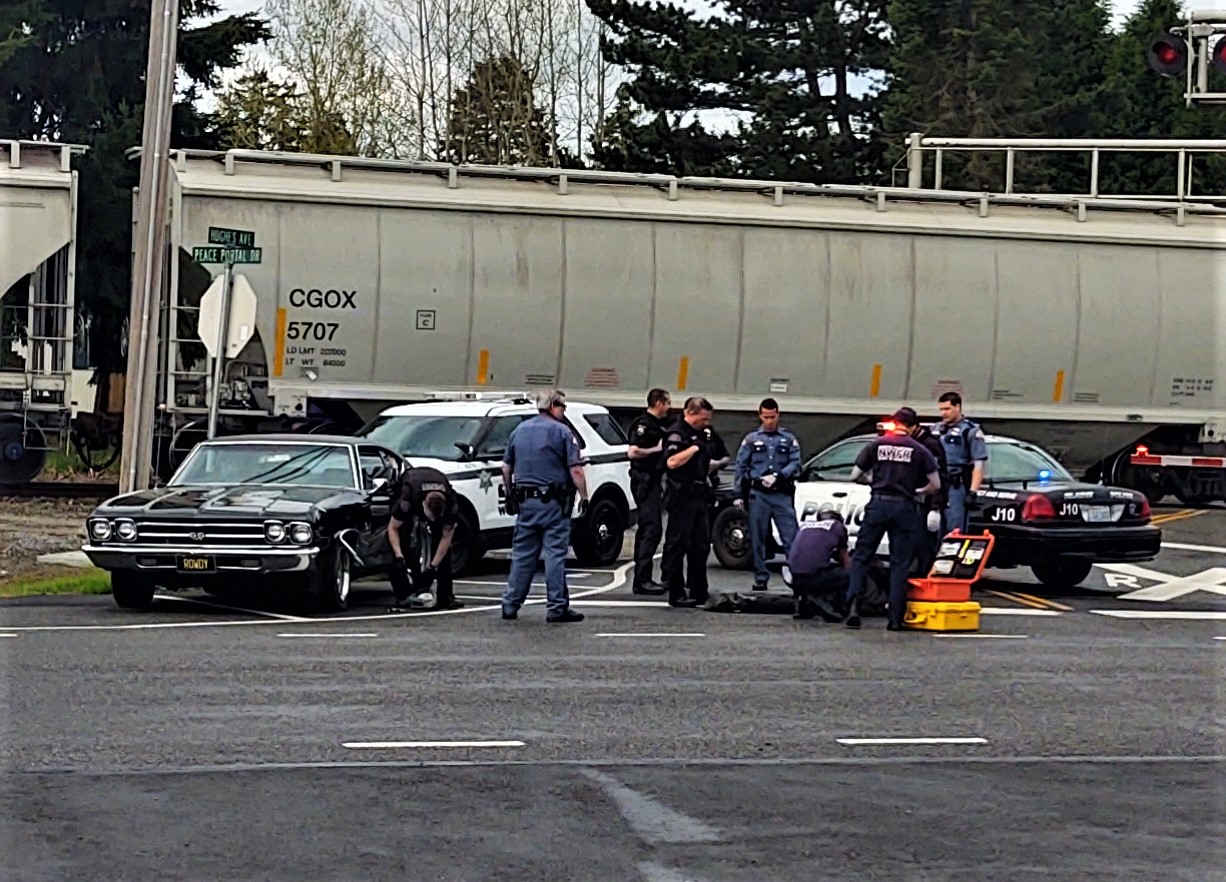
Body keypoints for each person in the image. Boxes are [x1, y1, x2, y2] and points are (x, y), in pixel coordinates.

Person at [844, 407, 941, 632]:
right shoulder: (919, 449)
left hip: (878, 502)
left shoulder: (876, 445)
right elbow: (935, 485)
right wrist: (919, 491)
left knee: (862, 556)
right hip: (904, 506)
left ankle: (853, 608)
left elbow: (854, 475)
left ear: (894, 422)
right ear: (913, 426)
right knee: (900, 563)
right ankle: (895, 619)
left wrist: (874, 481)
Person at [499, 388, 588, 623]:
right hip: (554, 504)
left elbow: (506, 468)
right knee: (555, 555)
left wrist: (510, 495)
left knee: (522, 555)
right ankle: (557, 607)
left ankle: (510, 604)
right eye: (562, 407)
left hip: (526, 503)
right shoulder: (562, 432)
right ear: (553, 406)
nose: (564, 411)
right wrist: (585, 496)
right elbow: (576, 469)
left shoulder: (519, 430)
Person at [733, 398, 801, 591]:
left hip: (781, 492)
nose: (769, 421)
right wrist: (738, 494)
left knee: (791, 537)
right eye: (766, 417)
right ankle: (760, 576)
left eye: (772, 417)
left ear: (778, 415)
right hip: (759, 493)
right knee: (758, 536)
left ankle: (797, 577)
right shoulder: (752, 439)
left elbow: (796, 463)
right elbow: (741, 466)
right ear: (760, 416)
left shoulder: (787, 439)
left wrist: (779, 475)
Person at [660, 397, 715, 608]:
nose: (705, 423)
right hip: (681, 495)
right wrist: (693, 449)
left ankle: (699, 589)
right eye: (702, 419)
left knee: (701, 545)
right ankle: (676, 591)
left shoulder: (703, 433)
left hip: (700, 493)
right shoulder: (676, 433)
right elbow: (671, 462)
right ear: (690, 413)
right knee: (678, 544)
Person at [387, 466, 464, 611]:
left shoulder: (451, 504)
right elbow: (392, 528)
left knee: (443, 550)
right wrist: (399, 556)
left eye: (436, 518)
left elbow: (447, 536)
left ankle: (446, 595)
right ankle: (403, 595)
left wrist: (433, 567)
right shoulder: (407, 501)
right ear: (423, 505)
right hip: (412, 480)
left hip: (437, 478)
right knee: (401, 542)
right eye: (430, 517)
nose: (432, 521)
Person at [627, 388, 672, 595]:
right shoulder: (643, 425)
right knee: (650, 529)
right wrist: (656, 449)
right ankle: (641, 579)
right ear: (659, 403)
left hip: (653, 481)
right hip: (643, 481)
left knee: (652, 529)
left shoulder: (659, 425)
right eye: (667, 402)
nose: (669, 407)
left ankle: (644, 578)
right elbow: (633, 451)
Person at [900, 407, 948, 578]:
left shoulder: (930, 445)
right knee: (907, 543)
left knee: (923, 544)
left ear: (914, 426)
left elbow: (940, 476)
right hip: (907, 501)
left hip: (925, 502)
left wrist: (935, 507)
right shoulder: (903, 442)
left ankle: (924, 576)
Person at [933, 392, 988, 535]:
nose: (943, 413)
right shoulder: (935, 430)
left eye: (947, 409)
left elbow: (979, 464)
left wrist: (972, 492)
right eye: (941, 409)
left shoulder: (970, 431)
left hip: (956, 487)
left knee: (955, 529)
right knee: (932, 531)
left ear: (957, 407)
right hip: (936, 487)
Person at [786, 509, 850, 623]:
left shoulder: (805, 526)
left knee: (813, 569)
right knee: (849, 576)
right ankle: (824, 602)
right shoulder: (837, 526)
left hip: (792, 577)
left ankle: (803, 603)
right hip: (813, 577)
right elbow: (845, 561)